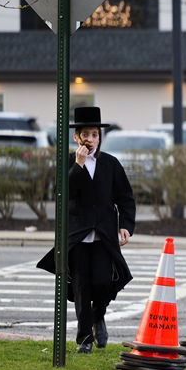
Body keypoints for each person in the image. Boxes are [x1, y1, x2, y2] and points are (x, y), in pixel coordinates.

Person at [38, 106, 135, 353]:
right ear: (76, 137)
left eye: (94, 134)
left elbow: (125, 197)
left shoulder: (110, 164)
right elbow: (63, 194)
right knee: (81, 287)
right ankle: (84, 339)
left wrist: (125, 225)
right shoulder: (68, 162)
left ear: (99, 137)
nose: (90, 139)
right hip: (77, 234)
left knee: (104, 281)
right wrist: (78, 165)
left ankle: (98, 315)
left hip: (104, 234)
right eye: (85, 135)